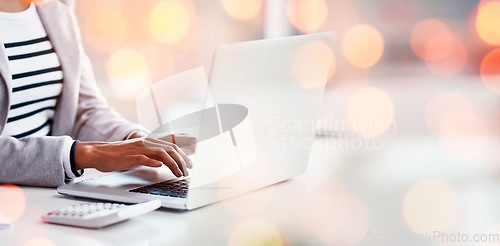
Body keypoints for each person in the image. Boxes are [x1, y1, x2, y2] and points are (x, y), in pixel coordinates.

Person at [0, 0, 191, 187]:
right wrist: (87, 154)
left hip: (43, 193)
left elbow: (83, 109)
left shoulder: (56, 6)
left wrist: (134, 141)